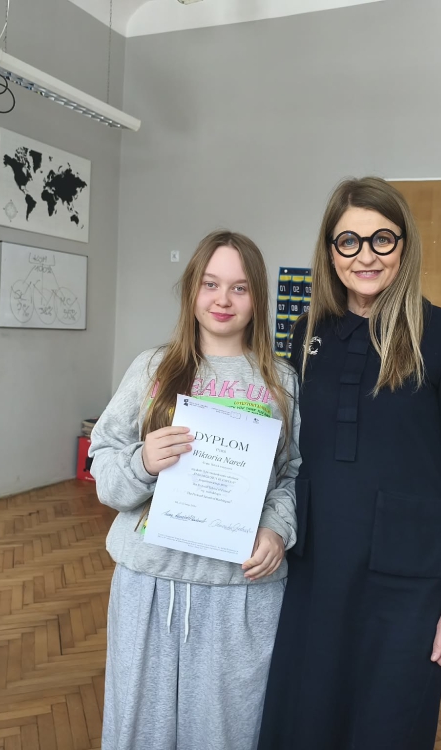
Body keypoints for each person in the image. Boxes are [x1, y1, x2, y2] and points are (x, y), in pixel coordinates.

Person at [258, 177, 441, 750]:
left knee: (388, 725)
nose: (365, 256)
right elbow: (290, 452)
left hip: (407, 580)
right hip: (316, 569)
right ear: (330, 250)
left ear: (404, 245)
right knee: (306, 719)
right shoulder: (306, 333)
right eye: (349, 241)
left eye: (381, 239)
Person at [90, 230, 301, 750]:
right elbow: (104, 463)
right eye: (210, 283)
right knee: (139, 731)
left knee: (226, 732)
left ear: (258, 298)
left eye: (239, 287)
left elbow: (294, 473)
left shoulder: (282, 381)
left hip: (240, 591)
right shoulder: (152, 368)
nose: (223, 299)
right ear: (191, 290)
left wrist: (277, 529)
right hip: (149, 583)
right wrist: (142, 462)